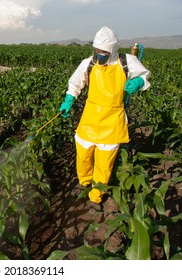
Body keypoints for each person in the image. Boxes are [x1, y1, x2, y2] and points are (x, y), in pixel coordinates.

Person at [59, 26, 151, 204]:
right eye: (97, 50)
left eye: (104, 51)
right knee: (83, 154)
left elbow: (145, 75)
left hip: (113, 118)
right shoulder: (89, 63)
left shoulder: (127, 62)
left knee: (104, 162)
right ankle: (84, 182)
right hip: (90, 116)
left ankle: (96, 195)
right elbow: (75, 82)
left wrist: (138, 81)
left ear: (113, 50)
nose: (100, 54)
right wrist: (69, 100)